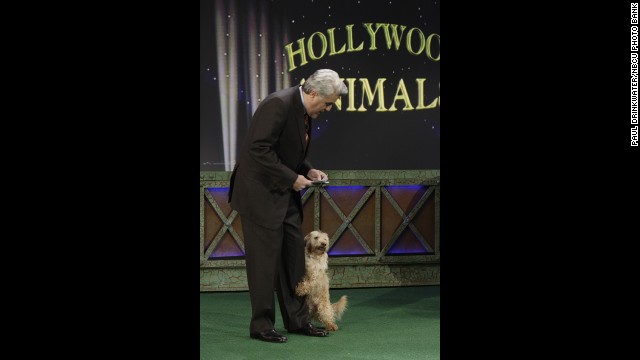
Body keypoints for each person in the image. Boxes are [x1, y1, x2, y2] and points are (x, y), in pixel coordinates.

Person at [228, 69, 348, 343]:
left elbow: (288, 151)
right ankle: (261, 326)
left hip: (286, 196)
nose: (328, 109)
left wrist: (308, 169)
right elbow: (258, 149)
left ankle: (298, 320)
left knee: (293, 259)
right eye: (328, 103)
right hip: (260, 196)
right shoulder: (278, 104)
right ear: (314, 93)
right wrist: (292, 177)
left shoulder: (306, 111)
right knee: (264, 264)